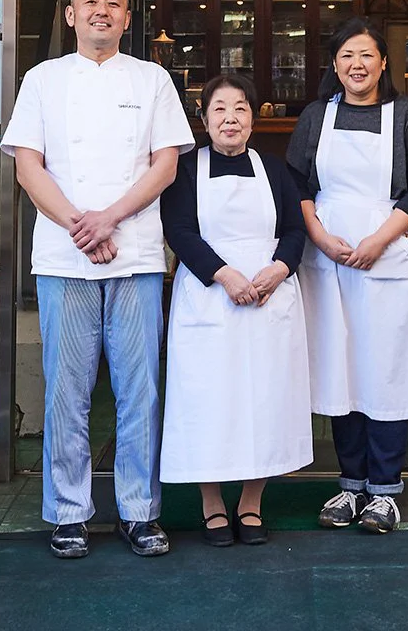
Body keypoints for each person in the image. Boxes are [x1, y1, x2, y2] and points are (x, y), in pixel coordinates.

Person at [1, 0, 194, 560]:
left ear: (129, 18)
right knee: (67, 389)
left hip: (134, 252)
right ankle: (68, 512)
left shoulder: (153, 78)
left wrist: (107, 218)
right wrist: (80, 225)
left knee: (141, 389)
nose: (102, 11)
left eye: (114, 3)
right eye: (91, 2)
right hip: (65, 256)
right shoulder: (41, 79)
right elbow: (28, 168)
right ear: (70, 15)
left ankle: (140, 511)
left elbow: (164, 167)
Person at [287, 17, 408, 534]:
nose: (357, 65)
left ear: (383, 63)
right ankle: (350, 484)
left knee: (387, 367)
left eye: (367, 56)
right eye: (347, 56)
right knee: (342, 366)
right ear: (335, 65)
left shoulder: (406, 116)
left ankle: (385, 490)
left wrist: (379, 239)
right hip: (328, 255)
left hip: (388, 252)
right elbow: (297, 182)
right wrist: (317, 234)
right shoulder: (316, 116)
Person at [159, 73, 312, 546]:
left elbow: (294, 229)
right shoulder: (185, 170)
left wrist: (279, 269)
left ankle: (251, 502)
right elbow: (179, 230)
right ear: (204, 119)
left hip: (269, 297)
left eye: (241, 108)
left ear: (253, 118)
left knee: (264, 399)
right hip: (209, 296)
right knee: (208, 400)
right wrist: (224, 274)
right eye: (220, 108)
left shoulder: (275, 168)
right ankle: (210, 503)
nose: (231, 118)